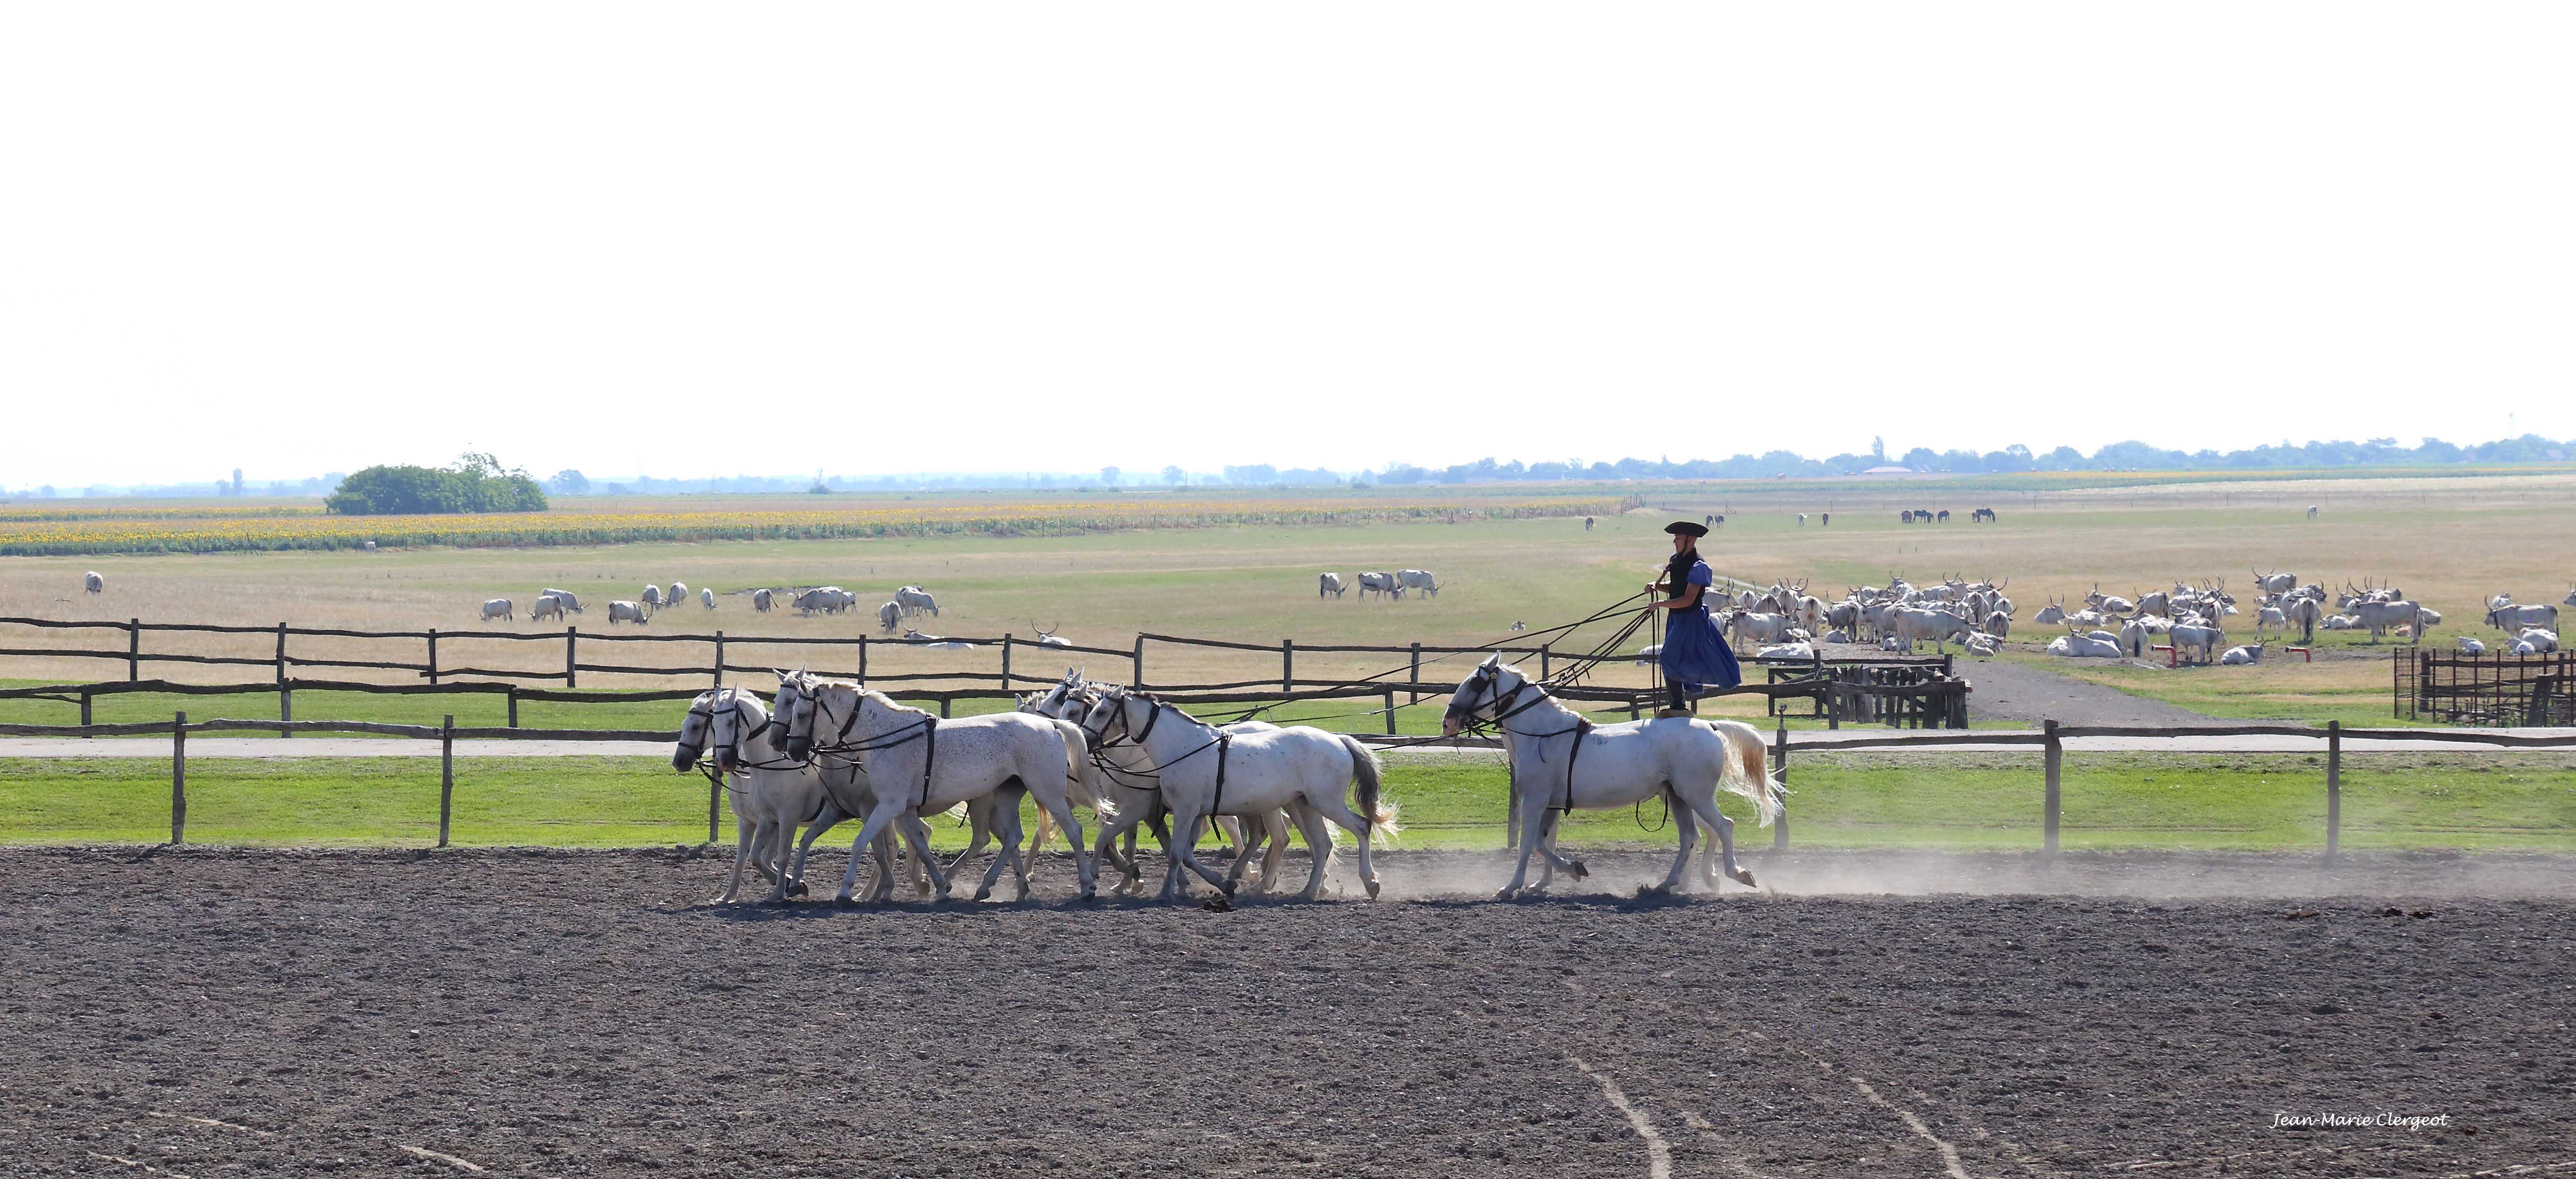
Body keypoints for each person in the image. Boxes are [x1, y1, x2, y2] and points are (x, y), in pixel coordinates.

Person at [1643, 520, 1740, 717]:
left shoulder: (1699, 566)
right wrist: (1656, 585)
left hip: (1690, 620)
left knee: (1669, 657)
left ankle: (1678, 706)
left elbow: (1688, 600)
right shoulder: (1677, 560)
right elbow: (1676, 586)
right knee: (1672, 657)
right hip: (1676, 619)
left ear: (1690, 539)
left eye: (1678, 537)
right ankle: (1677, 704)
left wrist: (1660, 604)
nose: (1674, 541)